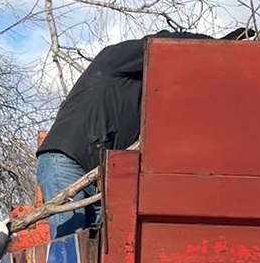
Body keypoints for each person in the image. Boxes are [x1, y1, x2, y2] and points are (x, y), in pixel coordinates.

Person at [36, 30, 214, 237]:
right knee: (72, 243)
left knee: (99, 243)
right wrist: (216, 46)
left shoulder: (147, 100)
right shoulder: (113, 60)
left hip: (94, 174)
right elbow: (162, 47)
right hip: (65, 158)